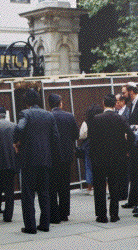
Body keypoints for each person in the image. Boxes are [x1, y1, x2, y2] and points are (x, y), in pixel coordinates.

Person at [13, 89, 61, 234]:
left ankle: (30, 226)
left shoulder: (25, 114)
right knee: (44, 193)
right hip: (45, 159)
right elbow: (55, 138)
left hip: (29, 160)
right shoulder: (49, 115)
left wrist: (16, 142)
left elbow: (19, 128)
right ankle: (44, 224)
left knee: (28, 194)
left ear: (26, 102)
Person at [89, 94, 135, 223]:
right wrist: (125, 149)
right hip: (116, 158)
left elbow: (91, 140)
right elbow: (131, 136)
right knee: (114, 186)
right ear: (115, 104)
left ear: (104, 103)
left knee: (99, 187)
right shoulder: (120, 118)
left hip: (99, 159)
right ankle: (114, 214)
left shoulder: (96, 119)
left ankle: (101, 215)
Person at [48, 94, 79, 224]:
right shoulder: (69, 116)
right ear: (60, 103)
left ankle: (54, 213)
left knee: (52, 186)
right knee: (65, 185)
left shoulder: (48, 116)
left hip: (52, 156)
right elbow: (76, 135)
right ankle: (64, 213)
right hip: (66, 155)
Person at [122, 82, 138, 210]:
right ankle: (134, 201)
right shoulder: (133, 104)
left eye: (125, 92)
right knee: (134, 174)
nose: (124, 95)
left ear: (131, 91)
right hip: (134, 143)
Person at [79, 104, 103, 195]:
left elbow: (82, 135)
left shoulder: (86, 122)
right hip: (101, 144)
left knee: (88, 166)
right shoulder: (102, 120)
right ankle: (106, 186)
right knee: (102, 164)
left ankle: (90, 188)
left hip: (89, 145)